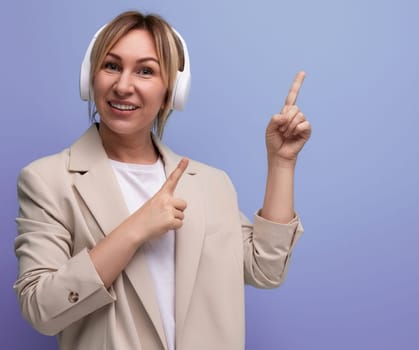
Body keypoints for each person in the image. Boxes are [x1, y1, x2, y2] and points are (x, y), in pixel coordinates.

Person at [13, 10, 311, 350]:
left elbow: (265, 269)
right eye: (111, 66)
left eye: (145, 71)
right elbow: (41, 310)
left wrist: (282, 163)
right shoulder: (48, 180)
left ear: (173, 90)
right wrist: (135, 229)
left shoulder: (210, 184)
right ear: (89, 78)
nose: (123, 86)